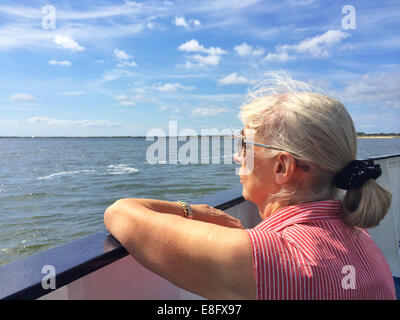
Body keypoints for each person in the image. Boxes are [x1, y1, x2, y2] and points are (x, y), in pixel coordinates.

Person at [104, 74, 396, 300]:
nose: (236, 155)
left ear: (282, 167)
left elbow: (121, 214)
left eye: (244, 144)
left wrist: (196, 211)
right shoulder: (358, 236)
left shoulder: (273, 255)